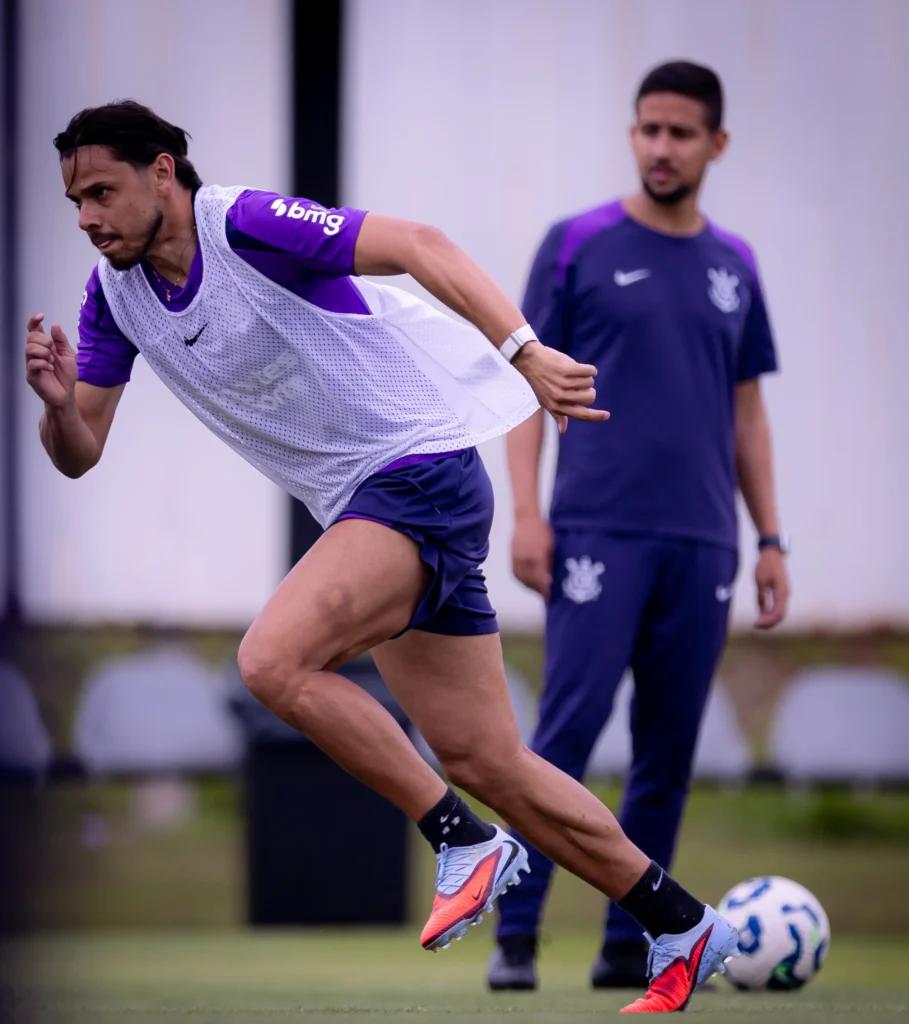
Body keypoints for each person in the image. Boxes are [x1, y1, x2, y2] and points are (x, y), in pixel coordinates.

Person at [25, 100, 740, 1013]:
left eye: (101, 192)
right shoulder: (113, 297)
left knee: (272, 661)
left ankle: (459, 840)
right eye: (75, 202)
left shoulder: (242, 223)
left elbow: (418, 244)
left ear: (162, 171)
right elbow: (80, 453)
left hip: (417, 473)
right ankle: (681, 922)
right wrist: (58, 406)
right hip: (375, 505)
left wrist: (524, 353)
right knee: (488, 761)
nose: (87, 217)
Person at [488, 61, 789, 992]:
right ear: (632, 135)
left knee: (666, 752)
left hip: (702, 542)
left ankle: (634, 944)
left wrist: (769, 538)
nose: (661, 147)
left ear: (715, 144)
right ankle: (516, 939)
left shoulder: (735, 264)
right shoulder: (576, 244)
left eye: (680, 133)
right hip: (595, 532)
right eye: (648, 129)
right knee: (565, 734)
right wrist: (528, 514)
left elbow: (746, 412)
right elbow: (523, 388)